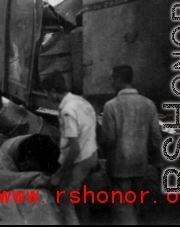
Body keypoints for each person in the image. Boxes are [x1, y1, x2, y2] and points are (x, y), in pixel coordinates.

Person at [100, 65, 162, 225]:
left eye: (112, 79)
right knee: (135, 206)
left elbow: (108, 139)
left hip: (119, 167)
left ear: (119, 80)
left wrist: (104, 154)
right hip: (141, 165)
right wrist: (155, 161)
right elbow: (156, 137)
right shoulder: (149, 104)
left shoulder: (111, 106)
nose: (111, 83)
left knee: (122, 210)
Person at [42, 72, 98, 225]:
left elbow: (74, 148)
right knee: (81, 197)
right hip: (92, 155)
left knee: (66, 200)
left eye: (47, 93)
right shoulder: (80, 101)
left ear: (53, 91)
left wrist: (59, 173)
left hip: (80, 160)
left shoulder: (67, 111)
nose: (47, 97)